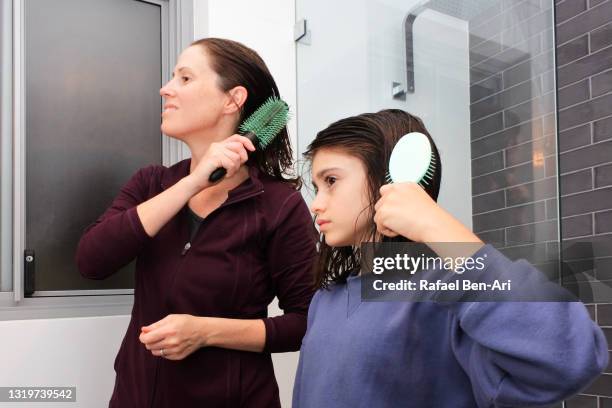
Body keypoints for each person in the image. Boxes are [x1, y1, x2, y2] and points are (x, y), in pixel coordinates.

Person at [292, 109, 609, 407]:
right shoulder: (326, 299)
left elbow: (570, 358)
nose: (316, 204)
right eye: (317, 187)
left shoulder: (443, 292)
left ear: (390, 179)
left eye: (331, 181)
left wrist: (440, 229)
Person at [76, 38, 317, 407]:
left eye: (185, 78)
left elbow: (305, 323)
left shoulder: (279, 206)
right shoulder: (151, 184)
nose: (165, 89)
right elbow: (91, 261)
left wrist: (205, 332)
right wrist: (192, 182)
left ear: (232, 100)